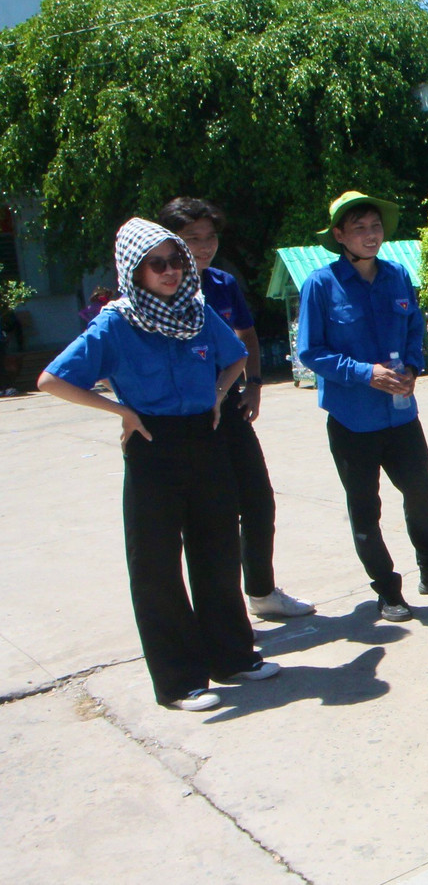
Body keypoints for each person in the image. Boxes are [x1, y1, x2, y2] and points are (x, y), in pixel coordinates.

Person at [38, 219, 279, 711]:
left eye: (177, 261)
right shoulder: (116, 322)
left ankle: (232, 657)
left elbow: (234, 355)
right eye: (158, 263)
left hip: (206, 437)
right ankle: (180, 681)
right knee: (156, 566)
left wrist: (216, 394)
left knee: (217, 551)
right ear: (135, 269)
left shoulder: (197, 311)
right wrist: (121, 411)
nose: (171, 271)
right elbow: (51, 380)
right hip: (152, 443)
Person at [298, 191, 428, 624]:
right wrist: (365, 373)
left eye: (375, 226)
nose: (369, 235)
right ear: (339, 235)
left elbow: (414, 325)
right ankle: (387, 589)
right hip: (351, 418)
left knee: (420, 489)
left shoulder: (397, 275)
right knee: (366, 507)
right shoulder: (320, 285)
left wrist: (415, 365)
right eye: (358, 227)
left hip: (400, 413)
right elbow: (310, 351)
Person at [157, 198, 314, 618]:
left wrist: (255, 385)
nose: (204, 247)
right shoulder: (157, 291)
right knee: (207, 521)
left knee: (258, 501)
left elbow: (246, 339)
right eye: (193, 239)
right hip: (181, 420)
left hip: (228, 409)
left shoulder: (223, 284)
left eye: (210, 237)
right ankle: (217, 616)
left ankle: (261, 593)